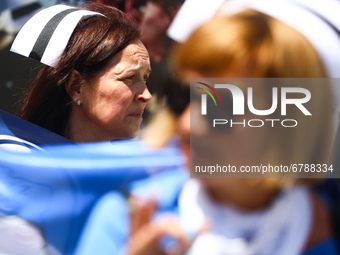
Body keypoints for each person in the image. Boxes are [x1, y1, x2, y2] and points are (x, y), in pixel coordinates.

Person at [73, 0, 340, 254]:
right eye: (183, 96)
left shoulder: (326, 233)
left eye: (222, 105)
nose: (188, 125)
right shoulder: (129, 219)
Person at [11, 2, 152, 143]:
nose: (146, 96)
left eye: (145, 78)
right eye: (129, 77)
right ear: (76, 86)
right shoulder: (18, 159)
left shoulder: (141, 163)